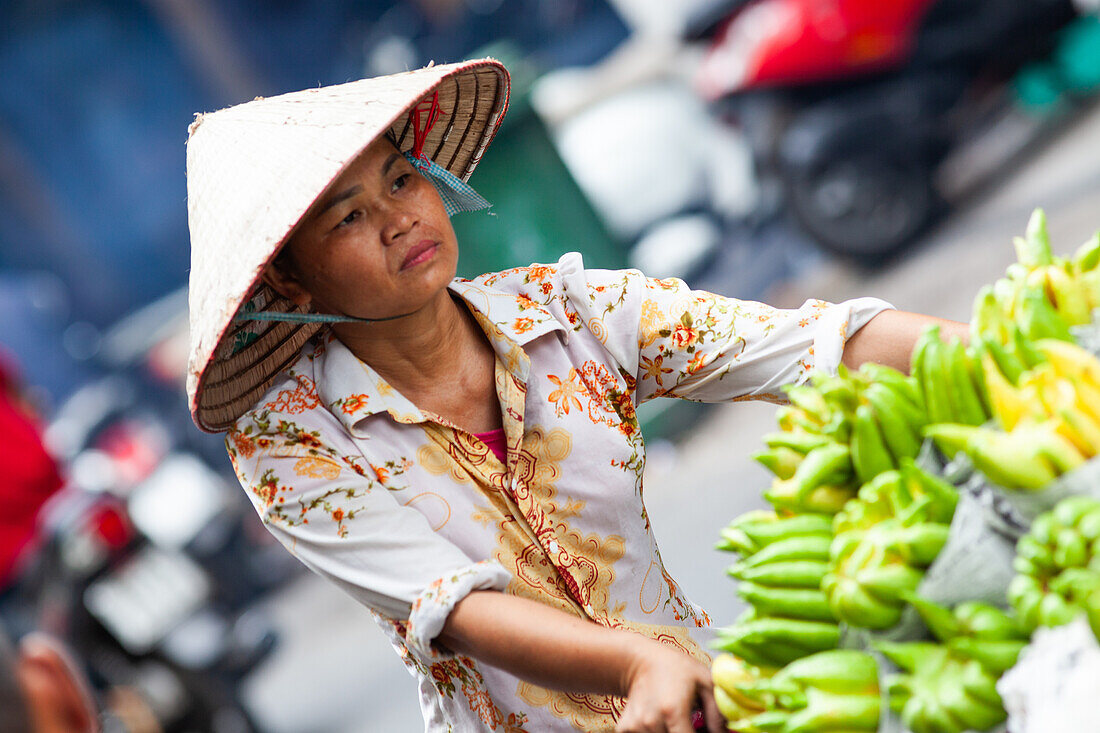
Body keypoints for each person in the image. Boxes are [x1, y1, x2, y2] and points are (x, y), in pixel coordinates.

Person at [184, 59, 967, 732]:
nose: (400, 218)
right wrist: (636, 663)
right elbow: (452, 609)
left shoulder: (566, 313)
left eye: (401, 177)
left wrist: (997, 353)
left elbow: (810, 345)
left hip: (717, 701)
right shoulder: (291, 439)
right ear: (287, 279)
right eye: (350, 216)